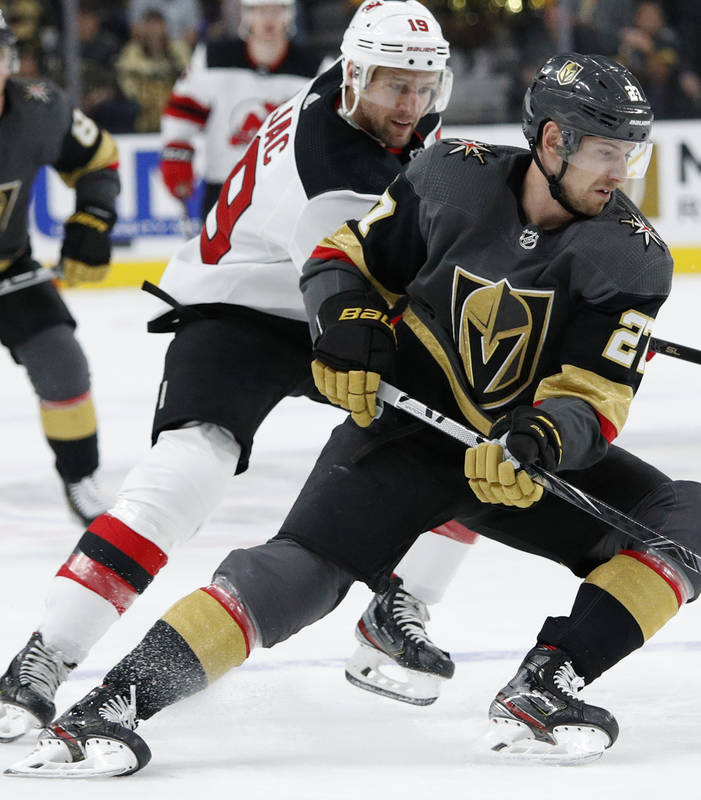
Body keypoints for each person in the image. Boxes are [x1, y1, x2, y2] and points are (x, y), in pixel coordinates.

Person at [4, 52, 701, 776]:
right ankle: (111, 705)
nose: (622, 174)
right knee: (297, 579)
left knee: (695, 517)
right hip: (406, 439)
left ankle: (547, 682)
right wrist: (348, 323)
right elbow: (343, 257)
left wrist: (545, 438)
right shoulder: (454, 174)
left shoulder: (633, 258)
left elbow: (596, 394)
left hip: (511, 458)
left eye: (631, 155)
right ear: (553, 141)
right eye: (608, 153)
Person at [0, 0, 468, 745]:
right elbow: (370, 281)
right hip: (242, 307)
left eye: (423, 85)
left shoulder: (372, 103)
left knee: (473, 423)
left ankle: (401, 600)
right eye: (392, 85)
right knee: (189, 471)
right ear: (352, 77)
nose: (410, 105)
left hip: (327, 292)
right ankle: (43, 657)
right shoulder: (333, 165)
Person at [0, 10, 119, 527]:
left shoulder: (39, 108)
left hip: (9, 269)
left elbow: (99, 158)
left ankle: (80, 476)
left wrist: (92, 219)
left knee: (63, 363)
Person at [160, 0, 327, 216]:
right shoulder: (212, 59)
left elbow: (325, 130)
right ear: (246, 15)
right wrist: (177, 160)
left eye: (277, 10)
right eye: (261, 11)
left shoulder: (316, 68)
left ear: (289, 15)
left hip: (286, 192)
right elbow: (181, 115)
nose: (269, 19)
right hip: (223, 187)